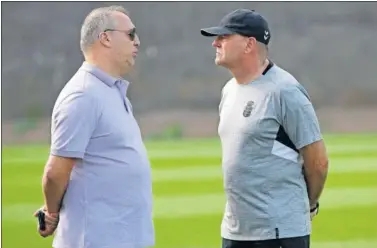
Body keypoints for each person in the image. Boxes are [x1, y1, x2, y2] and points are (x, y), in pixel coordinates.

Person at [200, 9, 329, 248]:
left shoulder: (285, 90)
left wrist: (307, 205)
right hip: (235, 232)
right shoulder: (229, 90)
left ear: (249, 44)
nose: (215, 43)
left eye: (224, 37)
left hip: (278, 233)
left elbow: (318, 161)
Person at [33, 5, 154, 248]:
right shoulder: (83, 95)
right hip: (96, 240)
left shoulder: (110, 90)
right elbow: (55, 173)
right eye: (131, 34)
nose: (137, 42)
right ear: (106, 38)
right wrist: (52, 212)